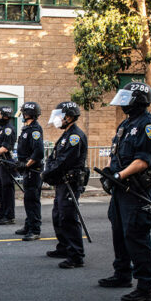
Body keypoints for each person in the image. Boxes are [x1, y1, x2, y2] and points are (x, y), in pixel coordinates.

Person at [98, 82, 151, 301]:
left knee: (137, 237)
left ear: (138, 100)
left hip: (135, 191)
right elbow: (116, 154)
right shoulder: (125, 124)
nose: (124, 102)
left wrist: (120, 176)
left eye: (128, 98)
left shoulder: (148, 125)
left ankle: (146, 287)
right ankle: (122, 274)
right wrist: (110, 172)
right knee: (119, 233)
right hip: (120, 190)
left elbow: (143, 160)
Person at [43, 102, 88, 268]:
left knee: (68, 218)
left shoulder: (75, 136)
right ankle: (63, 247)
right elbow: (55, 157)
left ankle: (76, 255)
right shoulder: (66, 134)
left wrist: (47, 174)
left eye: (60, 116)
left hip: (70, 183)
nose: (57, 119)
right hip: (62, 182)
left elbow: (64, 161)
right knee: (58, 216)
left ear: (68, 117)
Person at [15, 102, 45, 240]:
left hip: (33, 170)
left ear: (28, 114)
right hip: (28, 169)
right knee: (28, 199)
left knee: (32, 200)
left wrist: (27, 165)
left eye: (23, 113)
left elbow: (38, 152)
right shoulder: (26, 129)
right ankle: (29, 225)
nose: (21, 115)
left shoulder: (34, 130)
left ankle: (35, 229)